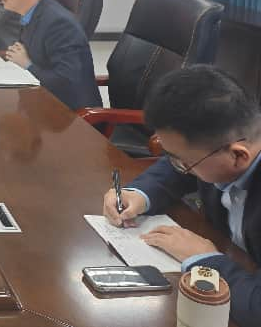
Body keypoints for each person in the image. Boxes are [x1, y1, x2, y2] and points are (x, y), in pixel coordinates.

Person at [102, 66, 261, 327]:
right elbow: (175, 168)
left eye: (184, 162)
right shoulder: (220, 147)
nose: (179, 166)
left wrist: (205, 261)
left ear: (238, 155)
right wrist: (139, 193)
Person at [0, 0, 101, 110]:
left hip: (69, 115)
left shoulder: (59, 24)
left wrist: (27, 66)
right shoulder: (31, 13)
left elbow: (66, 80)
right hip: (41, 100)